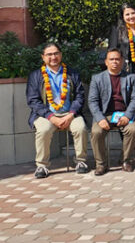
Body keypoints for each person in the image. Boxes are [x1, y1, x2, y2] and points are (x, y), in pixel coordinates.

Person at [27, 43, 88, 178]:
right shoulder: (36, 76)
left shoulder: (72, 73)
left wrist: (71, 114)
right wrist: (51, 117)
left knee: (81, 127)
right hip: (45, 115)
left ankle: (81, 161)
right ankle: (42, 166)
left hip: (70, 113)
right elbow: (33, 101)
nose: (53, 57)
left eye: (56, 53)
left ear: (61, 55)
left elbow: (80, 96)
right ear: (43, 57)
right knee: (43, 130)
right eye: (49, 54)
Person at [88, 49, 135, 176]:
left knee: (133, 130)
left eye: (117, 59)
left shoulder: (131, 77)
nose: (115, 62)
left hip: (124, 113)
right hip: (105, 114)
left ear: (122, 61)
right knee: (96, 132)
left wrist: (128, 116)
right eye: (111, 59)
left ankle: (125, 160)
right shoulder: (97, 78)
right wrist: (100, 119)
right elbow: (92, 101)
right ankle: (101, 164)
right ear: (106, 62)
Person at [108, 3, 135, 73]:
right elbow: (112, 51)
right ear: (123, 16)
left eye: (133, 13)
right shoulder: (117, 31)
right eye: (127, 14)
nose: (131, 16)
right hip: (126, 69)